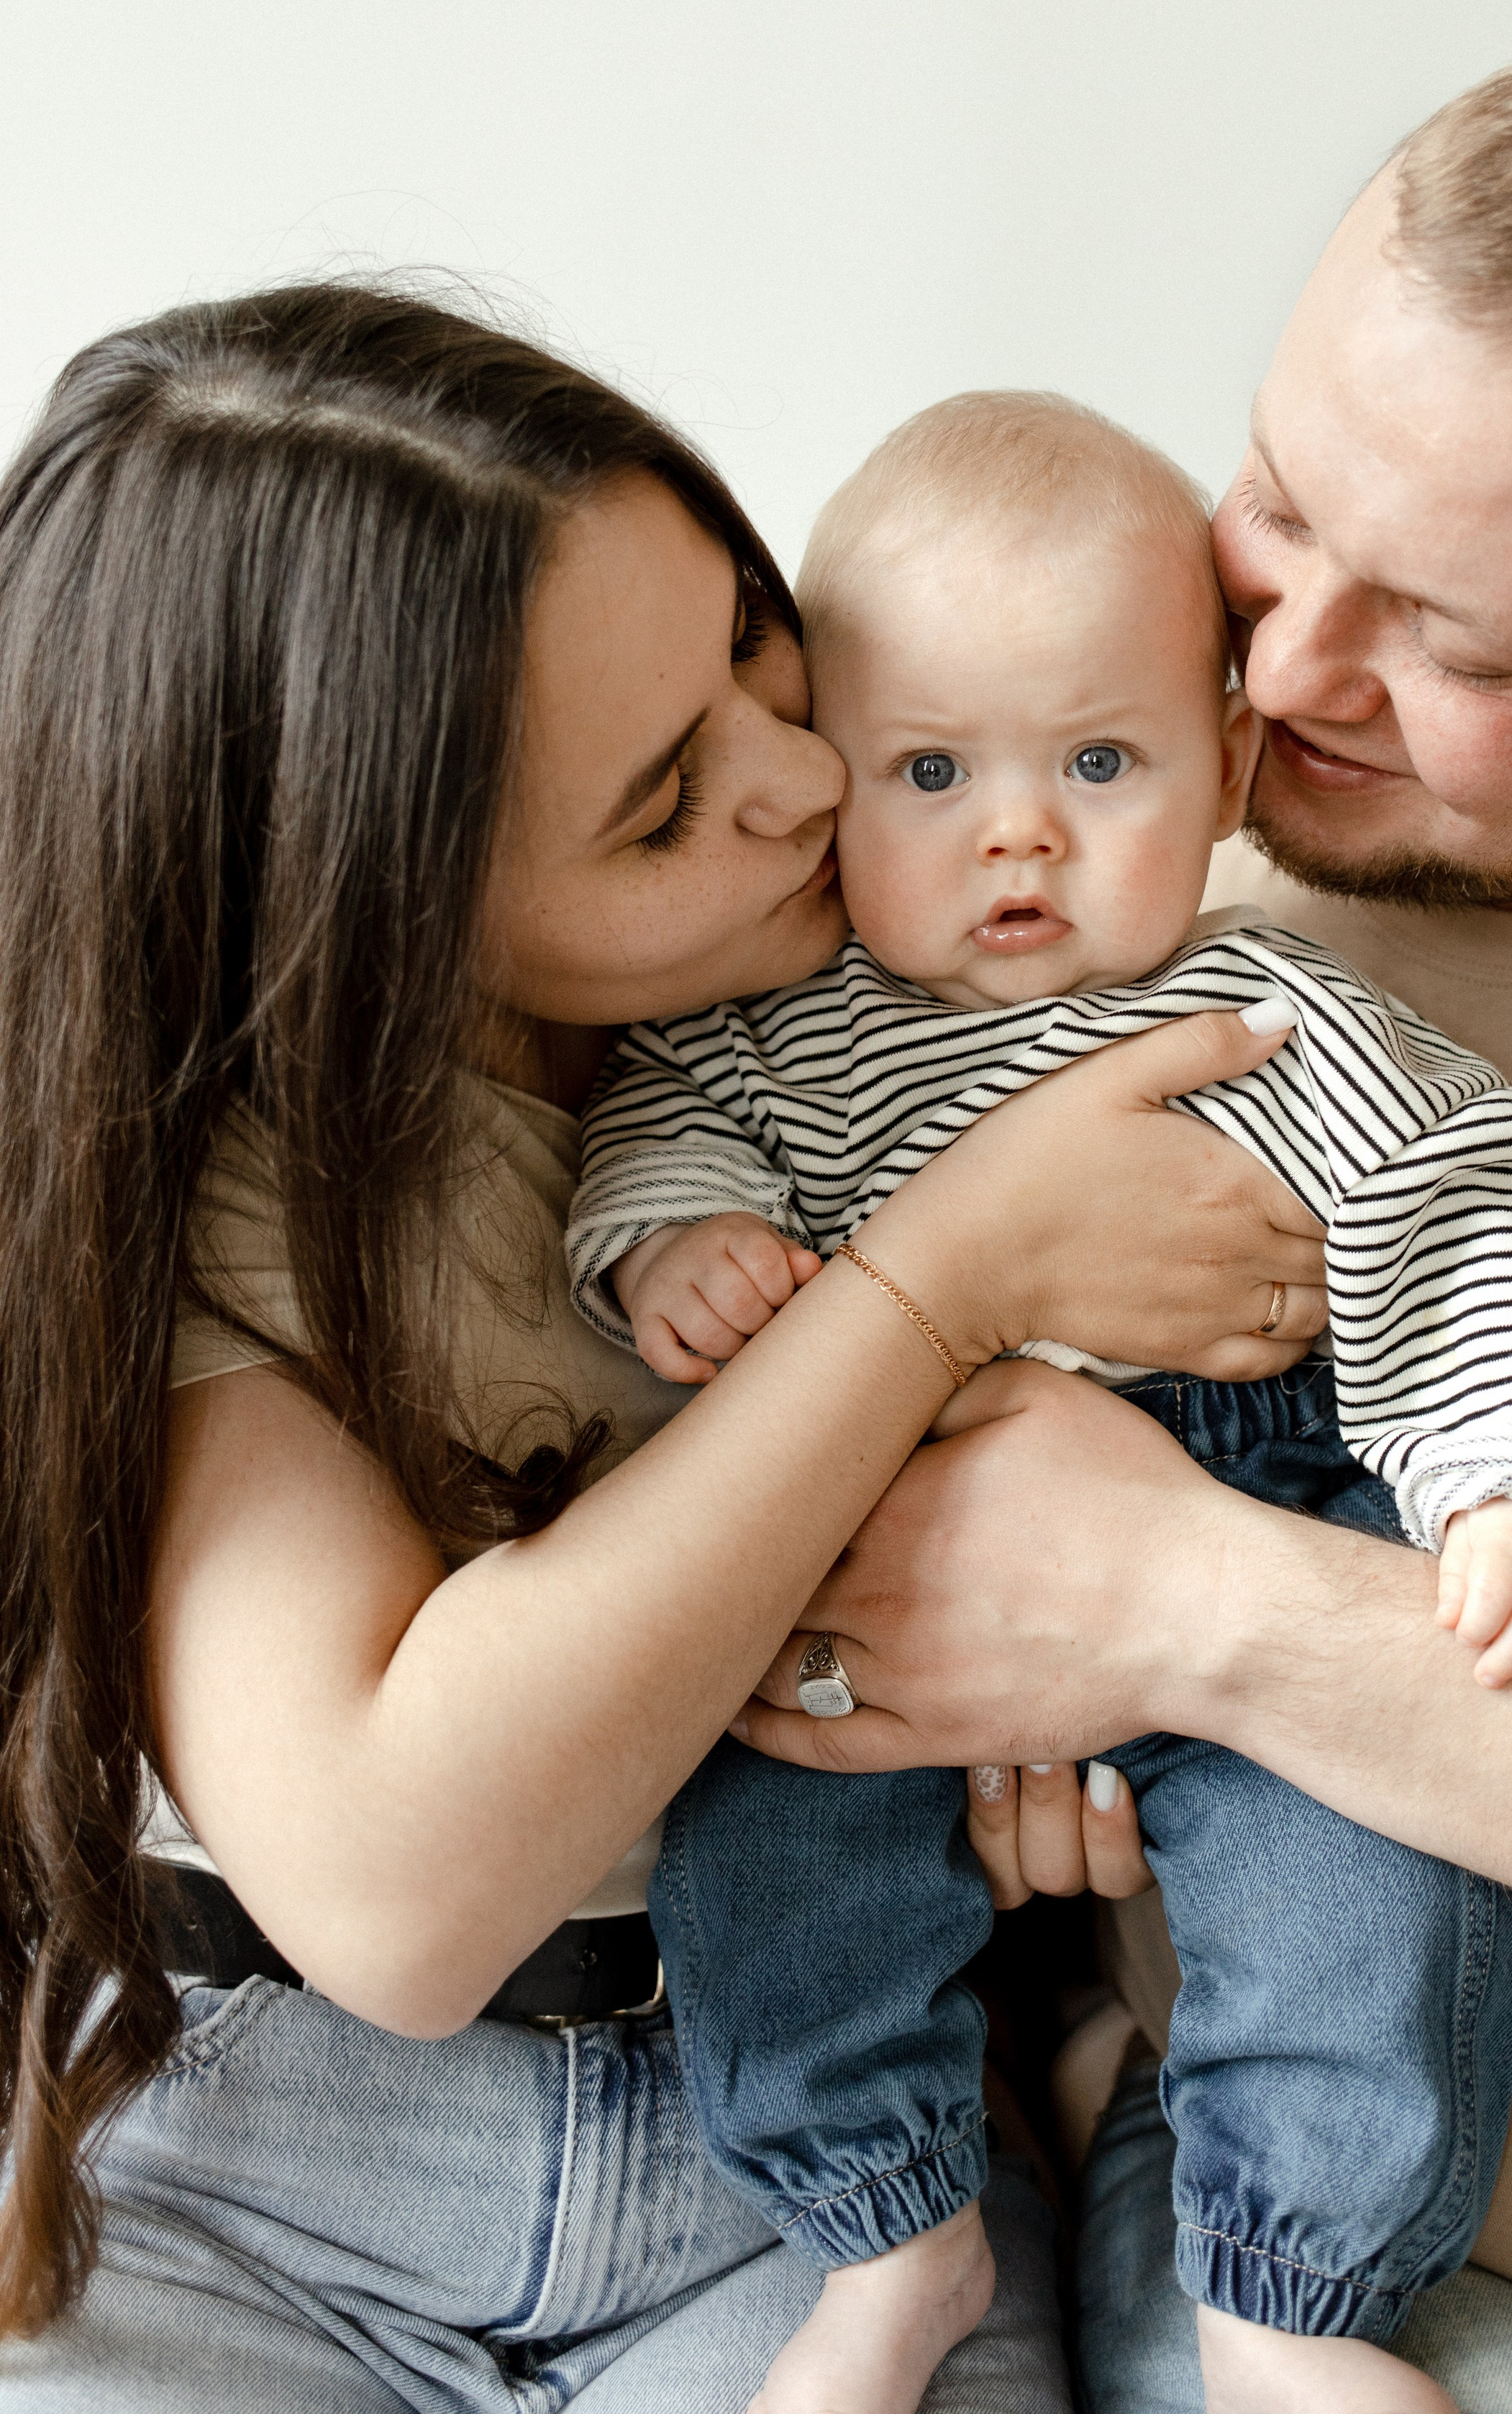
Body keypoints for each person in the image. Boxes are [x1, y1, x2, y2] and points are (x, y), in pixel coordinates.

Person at [0, 286, 1327, 2410]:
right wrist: (936, 1277)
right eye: (659, 804)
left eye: (742, 634)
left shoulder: (979, 949)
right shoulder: (193, 1173)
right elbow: (400, 1884)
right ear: (376, 908)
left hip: (811, 2119)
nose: (810, 776)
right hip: (252, 2144)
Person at [732, 3, 1512, 2413]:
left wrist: (1186, 1611)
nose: (1284, 664)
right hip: (1257, 2197)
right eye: (1285, 494)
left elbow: (1151, 1568)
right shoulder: (1058, 811)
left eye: (1454, 636)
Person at [567, 390, 1512, 2414]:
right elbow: (659, 1130)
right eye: (929, 770)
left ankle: (1283, 2301)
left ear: (1228, 767)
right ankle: (890, 2240)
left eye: (1098, 761)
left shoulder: (1276, 1013)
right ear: (824, 789)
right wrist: (675, 1245)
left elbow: (1482, 1208)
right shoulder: (778, 1036)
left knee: (1379, 1874)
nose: (1019, 833)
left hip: (1269, 1506)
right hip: (868, 1572)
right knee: (762, 1842)